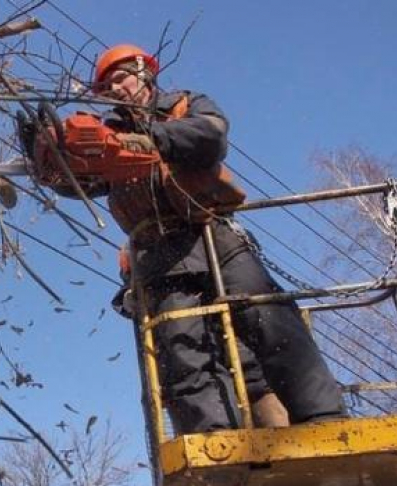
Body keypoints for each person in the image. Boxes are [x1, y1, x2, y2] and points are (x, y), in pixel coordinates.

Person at [49, 44, 347, 435]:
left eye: (119, 79)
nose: (114, 91)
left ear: (143, 72)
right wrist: (56, 159)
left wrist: (146, 138)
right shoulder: (109, 136)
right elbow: (81, 183)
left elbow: (209, 138)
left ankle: (323, 419)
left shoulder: (185, 105)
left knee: (268, 317)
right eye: (106, 89)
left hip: (212, 233)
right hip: (160, 253)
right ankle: (217, 441)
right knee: (182, 347)